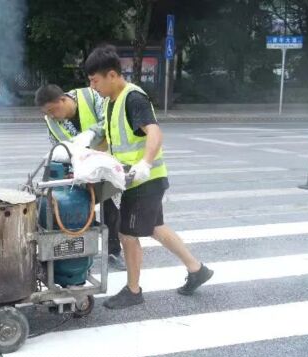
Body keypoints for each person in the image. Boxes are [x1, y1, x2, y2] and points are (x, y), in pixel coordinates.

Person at [81, 45, 213, 309]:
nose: (93, 87)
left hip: (144, 179)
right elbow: (111, 140)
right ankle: (197, 269)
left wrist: (144, 163)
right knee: (154, 228)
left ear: (111, 75)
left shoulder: (133, 98)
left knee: (127, 234)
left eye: (95, 81)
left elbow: (154, 132)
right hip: (132, 179)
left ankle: (133, 290)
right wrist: (83, 152)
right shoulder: (110, 102)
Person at [34, 84, 127, 271]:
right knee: (81, 209)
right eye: (47, 113)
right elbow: (58, 146)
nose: (51, 116)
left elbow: (110, 119)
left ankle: (113, 250)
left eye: (53, 110)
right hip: (80, 170)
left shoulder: (91, 96)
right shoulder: (51, 121)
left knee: (111, 209)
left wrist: (92, 132)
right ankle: (82, 254)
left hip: (107, 163)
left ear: (63, 99)